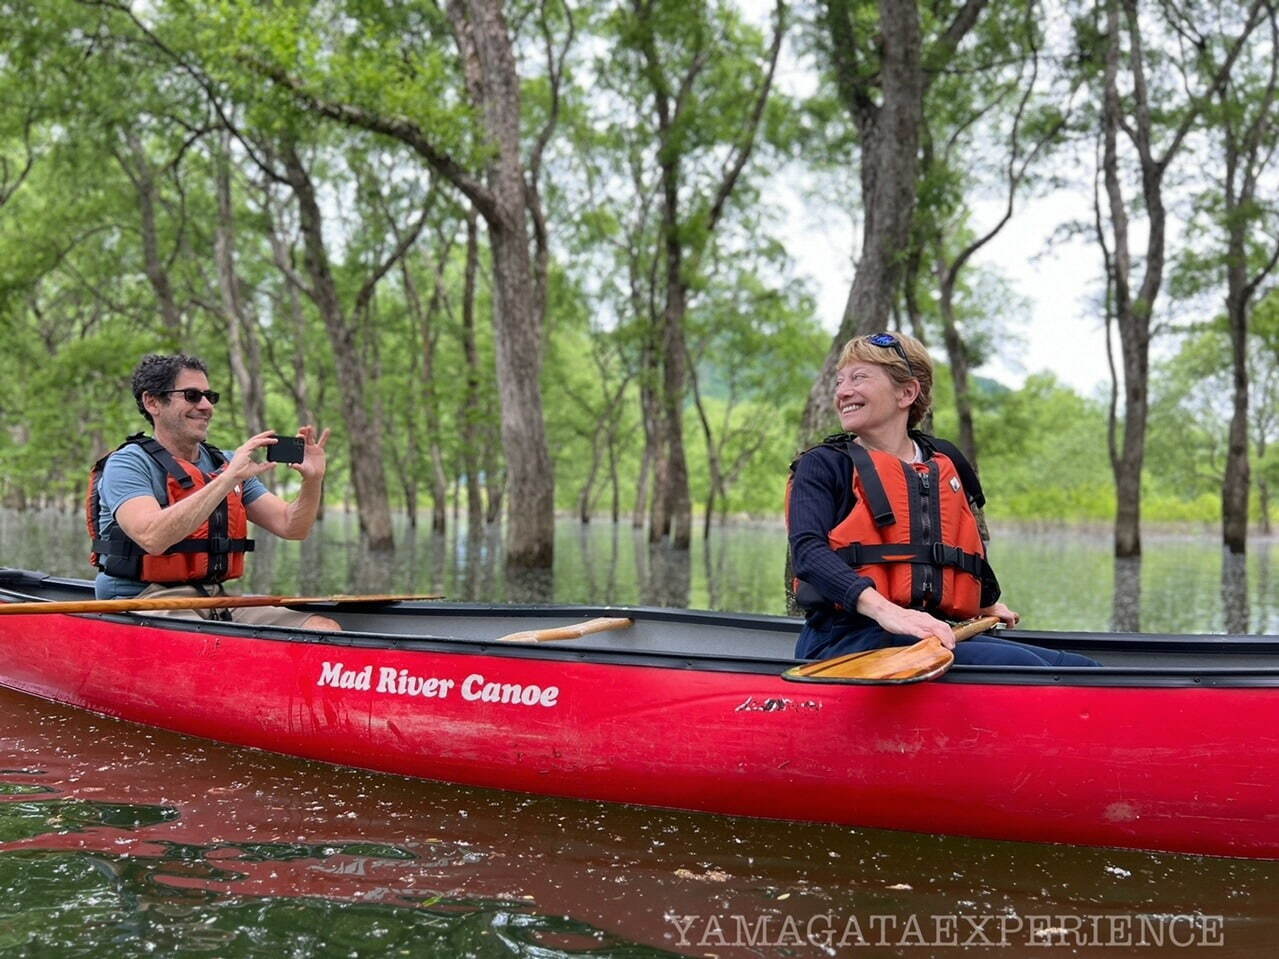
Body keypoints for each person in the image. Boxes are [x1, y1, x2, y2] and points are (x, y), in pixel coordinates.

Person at [787, 332, 1098, 667]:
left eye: (859, 378)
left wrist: (979, 603)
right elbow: (808, 553)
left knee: (1081, 669)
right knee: (1030, 671)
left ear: (907, 392)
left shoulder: (944, 461)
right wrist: (890, 613)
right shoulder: (824, 464)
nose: (843, 391)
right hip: (846, 641)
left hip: (929, 634)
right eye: (840, 381)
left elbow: (953, 546)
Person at [86, 353, 340, 631]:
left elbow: (292, 527)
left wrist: (313, 480)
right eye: (192, 395)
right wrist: (227, 478)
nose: (206, 406)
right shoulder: (127, 463)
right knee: (209, 642)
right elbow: (152, 537)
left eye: (210, 396)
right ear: (153, 402)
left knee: (322, 628)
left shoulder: (226, 463)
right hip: (142, 598)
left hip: (212, 598)